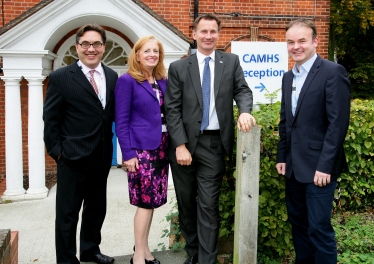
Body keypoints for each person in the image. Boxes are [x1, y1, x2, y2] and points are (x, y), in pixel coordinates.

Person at [164, 14, 256, 264]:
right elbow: (171, 108)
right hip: (183, 146)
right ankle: (193, 252)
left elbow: (242, 90)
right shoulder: (179, 68)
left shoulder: (231, 62)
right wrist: (180, 145)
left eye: (213, 31)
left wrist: (245, 111)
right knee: (185, 203)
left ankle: (206, 260)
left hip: (214, 144)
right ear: (193, 34)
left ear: (218, 34)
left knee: (207, 205)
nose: (208, 36)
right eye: (203, 31)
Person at [276, 18, 351, 264]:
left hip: (320, 169)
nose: (296, 46)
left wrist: (325, 166)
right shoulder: (288, 78)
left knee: (319, 229)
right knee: (298, 225)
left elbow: (337, 125)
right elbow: (287, 122)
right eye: (290, 42)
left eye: (302, 41)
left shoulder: (332, 72)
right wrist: (282, 157)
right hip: (294, 169)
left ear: (315, 42)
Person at [43, 23, 118, 264]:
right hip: (72, 159)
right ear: (77, 47)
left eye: (96, 44)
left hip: (102, 157)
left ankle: (90, 249)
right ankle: (66, 259)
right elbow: (51, 120)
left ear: (103, 47)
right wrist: (58, 153)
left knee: (96, 210)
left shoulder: (111, 75)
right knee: (67, 215)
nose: (91, 49)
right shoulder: (60, 77)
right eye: (85, 44)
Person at [115, 36, 168, 264]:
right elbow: (122, 120)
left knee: (153, 201)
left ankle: (145, 249)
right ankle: (137, 256)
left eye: (155, 51)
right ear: (137, 54)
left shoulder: (162, 80)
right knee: (145, 203)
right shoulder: (127, 81)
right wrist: (128, 154)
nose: (151, 55)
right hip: (141, 150)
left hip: (163, 148)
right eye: (147, 51)